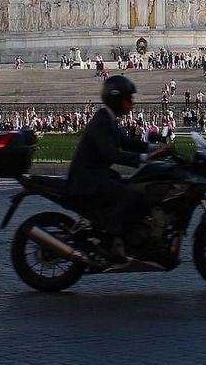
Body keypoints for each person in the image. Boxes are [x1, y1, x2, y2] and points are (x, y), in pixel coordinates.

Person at [66, 75, 167, 262]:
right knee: (129, 195)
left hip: (97, 175)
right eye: (129, 99)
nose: (132, 104)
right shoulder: (102, 120)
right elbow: (110, 154)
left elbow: (123, 141)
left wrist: (152, 148)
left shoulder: (108, 118)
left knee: (134, 187)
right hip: (88, 179)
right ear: (116, 100)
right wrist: (144, 158)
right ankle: (112, 241)